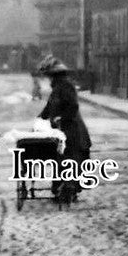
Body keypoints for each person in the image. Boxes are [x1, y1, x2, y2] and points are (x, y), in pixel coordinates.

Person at [37, 54, 91, 201]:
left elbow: (73, 106)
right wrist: (40, 118)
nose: (48, 78)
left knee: (70, 159)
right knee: (61, 158)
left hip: (72, 130)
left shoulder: (66, 86)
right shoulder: (57, 87)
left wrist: (62, 118)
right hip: (62, 130)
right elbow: (50, 106)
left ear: (55, 74)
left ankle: (69, 189)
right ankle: (62, 188)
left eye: (49, 75)